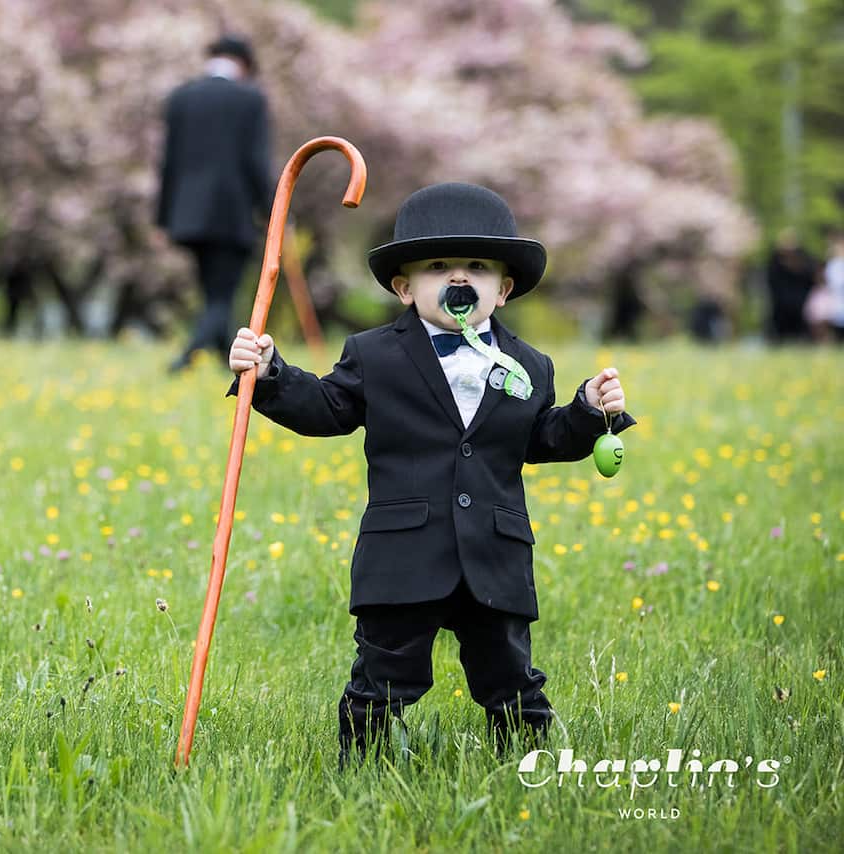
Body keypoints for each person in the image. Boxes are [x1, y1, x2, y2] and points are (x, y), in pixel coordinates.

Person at [225, 183, 635, 764]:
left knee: (510, 674)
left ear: (504, 287)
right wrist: (268, 374)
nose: (459, 279)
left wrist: (589, 411)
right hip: (404, 552)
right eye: (438, 266)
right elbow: (327, 409)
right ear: (404, 287)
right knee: (382, 673)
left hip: (494, 553)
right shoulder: (375, 355)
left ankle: (528, 764)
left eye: (477, 267)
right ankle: (363, 765)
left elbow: (542, 437)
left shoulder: (529, 365)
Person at [157, 34, 274, 373]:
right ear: (245, 65)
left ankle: (227, 362)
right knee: (222, 296)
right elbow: (256, 161)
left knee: (213, 293)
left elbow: (168, 163)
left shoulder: (181, 97)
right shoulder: (250, 99)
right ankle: (184, 361)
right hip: (230, 213)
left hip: (187, 214)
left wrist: (164, 218)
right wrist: (273, 212)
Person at [765, 228, 817, 343]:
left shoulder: (805, 260)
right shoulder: (775, 262)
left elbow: (812, 277)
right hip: (781, 302)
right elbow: (771, 281)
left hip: (801, 300)